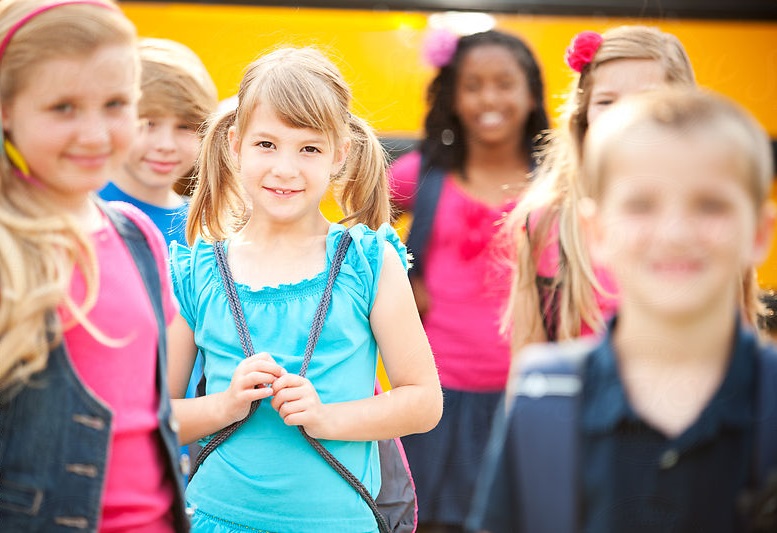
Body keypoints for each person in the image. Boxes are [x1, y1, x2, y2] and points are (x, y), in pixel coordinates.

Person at [467, 88, 777, 533]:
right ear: (595, 232)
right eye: (641, 205)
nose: (674, 233)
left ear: (760, 233)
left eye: (710, 205)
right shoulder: (545, 401)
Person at [166, 46, 443, 532]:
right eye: (266, 144)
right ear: (235, 145)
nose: (285, 168)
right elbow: (157, 417)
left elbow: (423, 402)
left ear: (340, 154)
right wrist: (224, 405)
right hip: (215, 518)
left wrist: (326, 417)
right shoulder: (197, 269)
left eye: (309, 148)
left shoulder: (367, 262)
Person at [0, 0, 188, 531]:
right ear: (6, 109)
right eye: (63, 107)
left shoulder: (137, 235)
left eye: (115, 104)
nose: (94, 134)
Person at [388, 28, 549, 532]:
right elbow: (362, 226)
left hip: (527, 396)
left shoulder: (556, 182)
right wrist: (399, 278)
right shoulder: (423, 174)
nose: (489, 99)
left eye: (505, 83)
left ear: (530, 94)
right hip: (437, 400)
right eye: (473, 85)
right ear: (452, 97)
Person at [504, 25, 696, 352]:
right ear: (585, 116)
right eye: (606, 101)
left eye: (647, 99)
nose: (625, 116)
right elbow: (528, 370)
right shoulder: (547, 223)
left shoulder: (710, 218)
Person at [99, 37, 218, 247]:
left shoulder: (207, 228)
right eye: (149, 123)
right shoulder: (83, 209)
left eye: (185, 127)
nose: (166, 145)